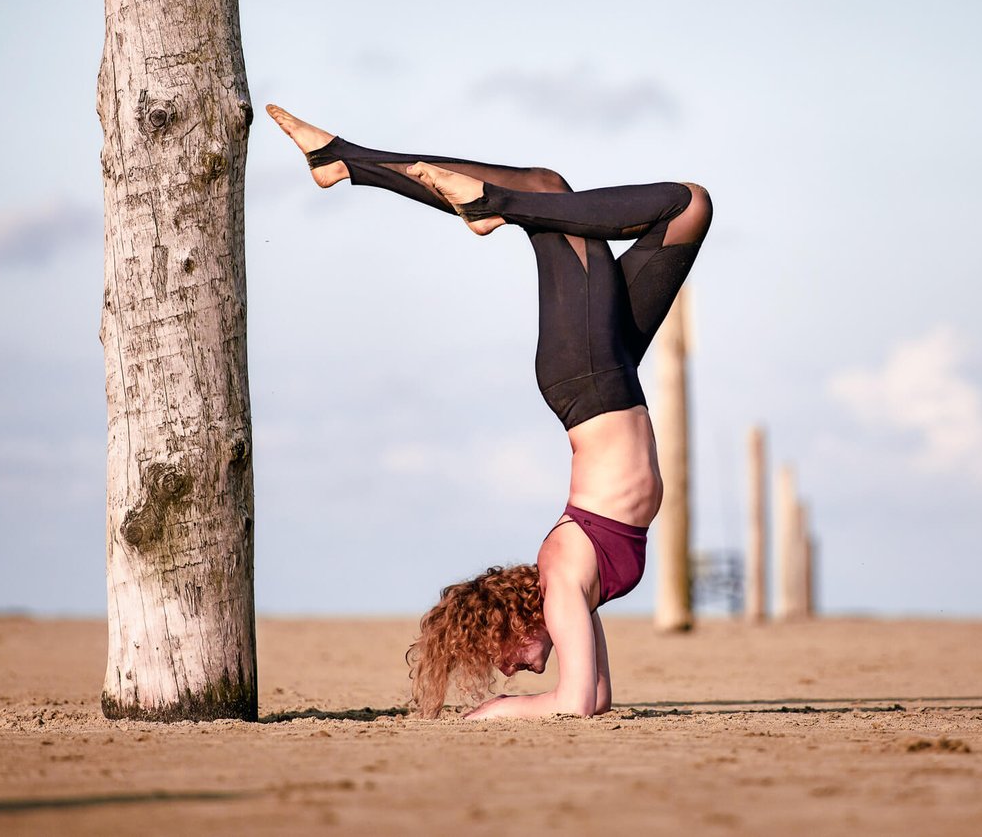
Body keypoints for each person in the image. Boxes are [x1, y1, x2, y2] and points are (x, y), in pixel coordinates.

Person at [267, 104, 712, 719]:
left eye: (500, 655)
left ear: (510, 621)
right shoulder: (567, 594)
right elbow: (597, 699)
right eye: (503, 669)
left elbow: (572, 703)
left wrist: (493, 710)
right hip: (610, 374)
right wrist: (509, 702)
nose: (516, 668)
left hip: (587, 377)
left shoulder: (559, 586)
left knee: (684, 202)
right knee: (573, 192)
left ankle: (468, 198)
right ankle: (349, 163)